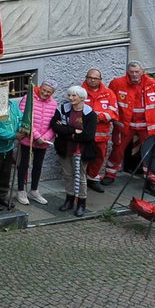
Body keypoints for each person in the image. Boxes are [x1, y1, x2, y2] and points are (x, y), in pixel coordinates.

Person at [50, 85, 99, 217]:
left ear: (82, 98)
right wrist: (73, 131)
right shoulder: (62, 109)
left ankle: (81, 203)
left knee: (81, 177)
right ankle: (69, 199)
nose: (70, 98)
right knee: (68, 175)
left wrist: (66, 130)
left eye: (74, 96)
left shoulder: (90, 114)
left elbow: (88, 136)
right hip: (65, 148)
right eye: (69, 95)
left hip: (82, 151)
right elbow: (55, 126)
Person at [109, 62, 155, 178]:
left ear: (142, 72)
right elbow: (111, 102)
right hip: (125, 125)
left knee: (150, 152)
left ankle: (152, 179)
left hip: (147, 125)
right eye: (131, 72)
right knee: (117, 150)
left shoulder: (151, 83)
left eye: (137, 72)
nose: (134, 74)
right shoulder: (117, 83)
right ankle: (110, 174)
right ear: (127, 72)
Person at [15, 81, 58, 205]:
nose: (44, 93)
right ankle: (21, 190)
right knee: (23, 165)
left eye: (48, 92)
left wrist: (46, 137)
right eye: (43, 90)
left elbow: (54, 124)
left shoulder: (54, 104)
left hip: (43, 141)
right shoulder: (28, 99)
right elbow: (24, 119)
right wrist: (37, 136)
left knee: (38, 166)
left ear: (52, 93)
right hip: (28, 139)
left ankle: (34, 190)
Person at [82, 69, 120, 191]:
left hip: (101, 135)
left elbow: (113, 112)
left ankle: (92, 178)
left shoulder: (109, 93)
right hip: (83, 134)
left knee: (99, 157)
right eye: (90, 77)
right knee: (80, 157)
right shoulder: (80, 92)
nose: (92, 80)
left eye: (95, 78)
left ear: (100, 79)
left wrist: (96, 117)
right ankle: (80, 180)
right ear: (86, 78)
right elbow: (76, 111)